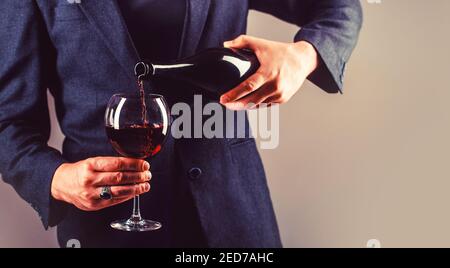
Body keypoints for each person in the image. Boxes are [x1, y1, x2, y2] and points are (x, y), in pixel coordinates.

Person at [0, 0, 362, 248]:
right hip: (105, 231)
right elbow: (9, 126)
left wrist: (303, 56)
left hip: (234, 218)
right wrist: (57, 180)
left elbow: (339, 7)